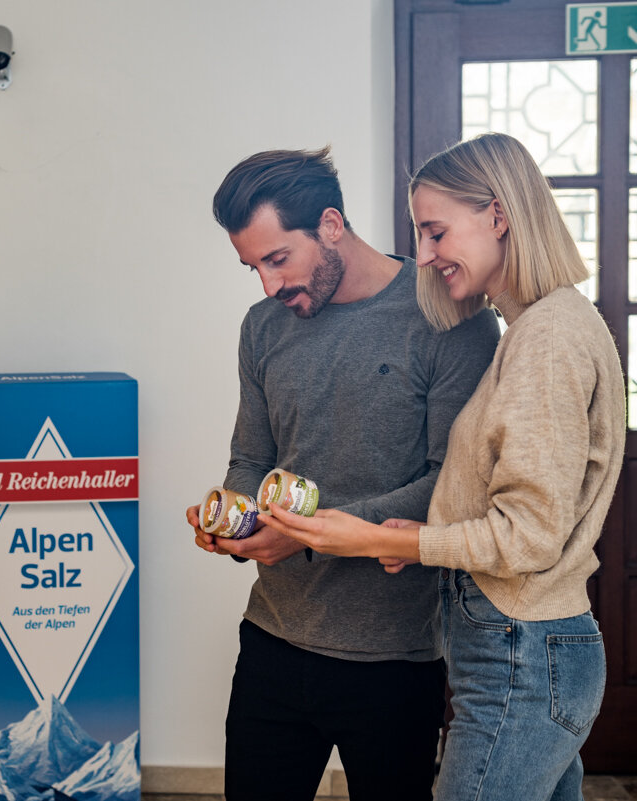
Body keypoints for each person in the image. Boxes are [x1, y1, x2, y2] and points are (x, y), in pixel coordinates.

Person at [264, 133, 625, 801]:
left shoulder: (545, 338)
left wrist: (385, 538)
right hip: (528, 650)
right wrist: (424, 535)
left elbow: (528, 536)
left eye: (435, 231)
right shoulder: (546, 325)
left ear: (498, 215)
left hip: (522, 655)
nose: (424, 255)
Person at [186, 148, 500, 801]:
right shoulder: (263, 326)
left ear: (331, 224)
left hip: (394, 657)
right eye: (253, 267)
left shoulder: (451, 317)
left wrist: (301, 534)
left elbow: (454, 484)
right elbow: (251, 458)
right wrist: (232, 518)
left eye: (278, 259)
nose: (269, 286)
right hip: (272, 639)